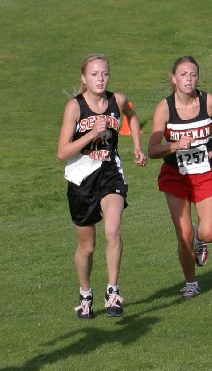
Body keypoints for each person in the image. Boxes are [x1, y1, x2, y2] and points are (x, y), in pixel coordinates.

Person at [58, 53, 147, 319]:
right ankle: (85, 295)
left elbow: (132, 117)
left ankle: (113, 292)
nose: (100, 79)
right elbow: (62, 152)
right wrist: (92, 134)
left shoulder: (116, 100)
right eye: (95, 74)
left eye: (105, 74)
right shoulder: (75, 107)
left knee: (112, 229)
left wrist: (137, 147)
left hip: (110, 174)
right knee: (87, 248)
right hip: (81, 179)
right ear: (84, 78)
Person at [148, 56, 212, 299]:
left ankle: (200, 239)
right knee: (183, 236)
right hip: (175, 177)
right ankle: (191, 283)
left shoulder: (209, 102)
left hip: (206, 173)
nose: (188, 79)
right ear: (174, 79)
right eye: (183, 74)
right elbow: (152, 150)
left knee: (209, 233)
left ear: (198, 78)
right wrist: (175, 145)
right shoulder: (164, 108)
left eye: (193, 74)